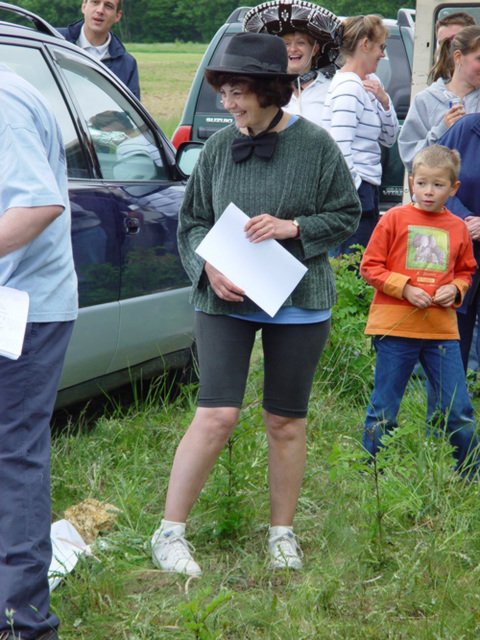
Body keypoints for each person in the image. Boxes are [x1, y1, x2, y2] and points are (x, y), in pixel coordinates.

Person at [150, 32, 361, 575]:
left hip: (300, 299)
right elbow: (191, 220)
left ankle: (282, 535)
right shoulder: (219, 146)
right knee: (217, 413)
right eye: (224, 92)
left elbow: (345, 212)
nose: (228, 103)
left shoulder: (316, 145)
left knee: (284, 421)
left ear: (270, 89)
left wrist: (294, 227)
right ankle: (170, 533)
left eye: (238, 92)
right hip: (225, 299)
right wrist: (208, 268)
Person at [0, 66, 78, 639]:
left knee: (13, 455)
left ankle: (22, 621)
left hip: (22, 306)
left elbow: (37, 204)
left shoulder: (2, 99)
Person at [359, 145, 480, 477]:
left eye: (438, 185)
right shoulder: (394, 219)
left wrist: (455, 289)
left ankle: (470, 476)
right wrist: (405, 288)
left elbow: (466, 271)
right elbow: (370, 266)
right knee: (384, 407)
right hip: (396, 328)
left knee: (459, 410)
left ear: (453, 188)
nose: (429, 191)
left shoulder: (457, 228)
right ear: (411, 182)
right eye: (423, 183)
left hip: (441, 333)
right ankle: (372, 476)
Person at [322, 14, 399, 256]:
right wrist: (353, 197)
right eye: (381, 47)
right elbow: (339, 150)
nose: (383, 55)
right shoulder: (349, 88)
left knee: (362, 267)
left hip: (367, 189)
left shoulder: (369, 82)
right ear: (364, 45)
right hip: (356, 192)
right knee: (352, 271)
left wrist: (384, 101)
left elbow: (389, 138)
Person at [243, 0, 342, 126]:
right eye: (286, 44)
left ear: (315, 50)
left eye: (300, 43)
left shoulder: (332, 90)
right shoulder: (267, 90)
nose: (293, 49)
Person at [399, 26, 480, 174]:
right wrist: (442, 131)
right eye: (479, 59)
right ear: (458, 57)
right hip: (441, 194)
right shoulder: (426, 100)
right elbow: (410, 159)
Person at [438, 113, 480, 371]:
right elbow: (431, 177)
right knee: (453, 336)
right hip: (459, 252)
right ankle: (448, 406)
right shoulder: (467, 129)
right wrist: (462, 217)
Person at [58, 0, 140, 99]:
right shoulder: (55, 41)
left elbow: (129, 113)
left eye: (108, 6)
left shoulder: (127, 65)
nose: (100, 10)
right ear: (84, 6)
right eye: (95, 2)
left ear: (117, 16)